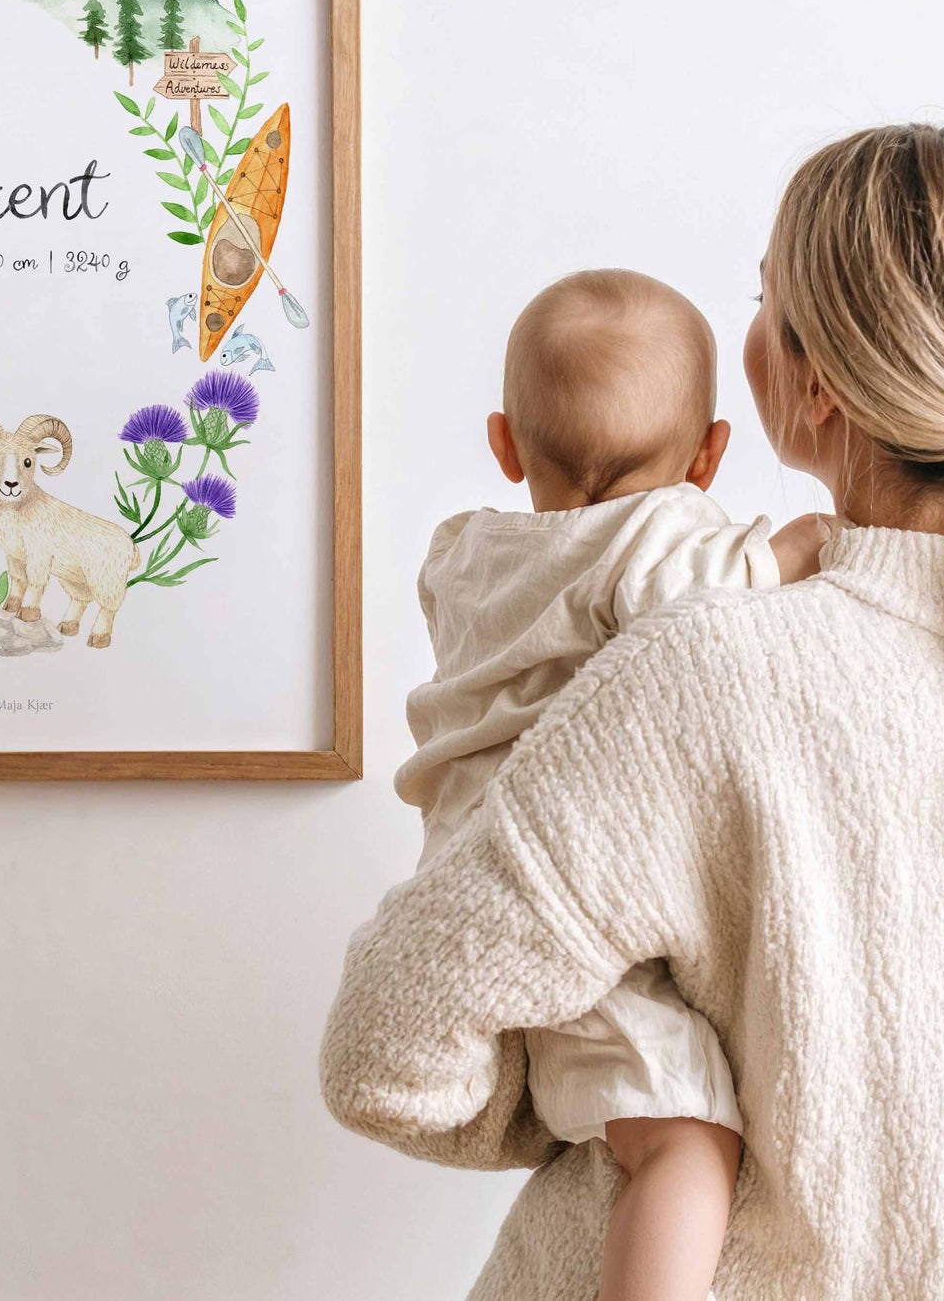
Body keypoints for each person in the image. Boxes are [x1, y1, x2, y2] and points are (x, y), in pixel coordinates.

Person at [322, 125, 944, 1299]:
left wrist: (600, 1103)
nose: (749, 326)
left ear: (813, 381)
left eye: (764, 298)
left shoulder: (704, 670)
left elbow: (382, 1051)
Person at [396, 268, 826, 1301]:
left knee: (646, 1116)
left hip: (478, 870)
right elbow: (707, 589)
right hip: (563, 892)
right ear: (707, 455)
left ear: (504, 443)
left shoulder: (460, 556)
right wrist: (805, 542)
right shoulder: (654, 550)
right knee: (682, 1136)